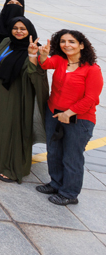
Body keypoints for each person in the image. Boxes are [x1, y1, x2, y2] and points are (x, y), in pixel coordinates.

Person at [0, 16, 49, 183]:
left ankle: (10, 167)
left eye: (22, 29)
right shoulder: (7, 41)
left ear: (30, 31)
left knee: (10, 127)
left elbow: (34, 75)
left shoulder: (34, 49)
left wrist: (34, 56)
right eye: (15, 28)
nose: (18, 31)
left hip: (13, 94)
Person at [35, 30, 102, 205]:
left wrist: (69, 113)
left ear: (81, 45)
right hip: (53, 112)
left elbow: (91, 98)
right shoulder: (60, 60)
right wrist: (42, 55)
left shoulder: (92, 69)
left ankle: (69, 193)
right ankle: (56, 183)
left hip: (80, 119)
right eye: (63, 41)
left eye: (72, 41)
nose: (67, 45)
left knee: (72, 156)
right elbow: (45, 64)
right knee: (54, 151)